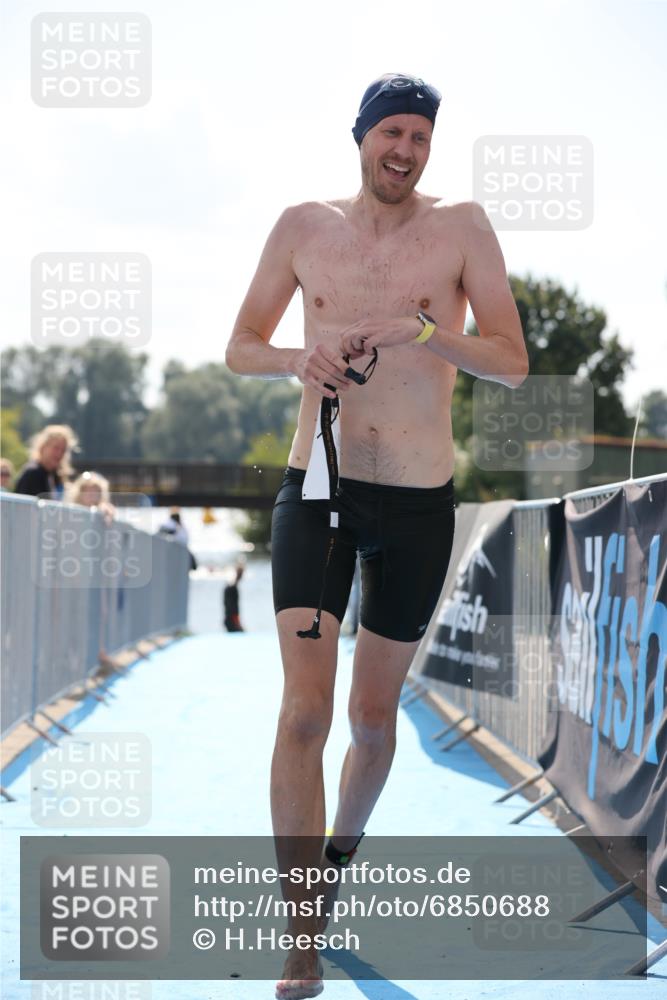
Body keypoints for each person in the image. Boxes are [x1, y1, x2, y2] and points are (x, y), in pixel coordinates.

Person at [225, 73, 528, 999]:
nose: (404, 149)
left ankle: (342, 847)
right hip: (316, 488)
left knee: (369, 719)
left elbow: (512, 367)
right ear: (360, 136)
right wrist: (296, 357)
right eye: (390, 132)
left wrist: (427, 328)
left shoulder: (464, 228)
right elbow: (240, 344)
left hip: (416, 501)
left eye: (420, 137)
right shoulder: (301, 226)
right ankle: (300, 936)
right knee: (303, 713)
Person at [14, 424, 78, 499]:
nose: (59, 453)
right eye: (56, 448)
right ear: (43, 446)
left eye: (63, 450)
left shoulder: (56, 476)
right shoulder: (32, 474)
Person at [222, 562, 245, 632]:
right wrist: (237, 622)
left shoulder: (229, 586)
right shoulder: (233, 588)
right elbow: (233, 608)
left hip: (228, 618)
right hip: (231, 620)